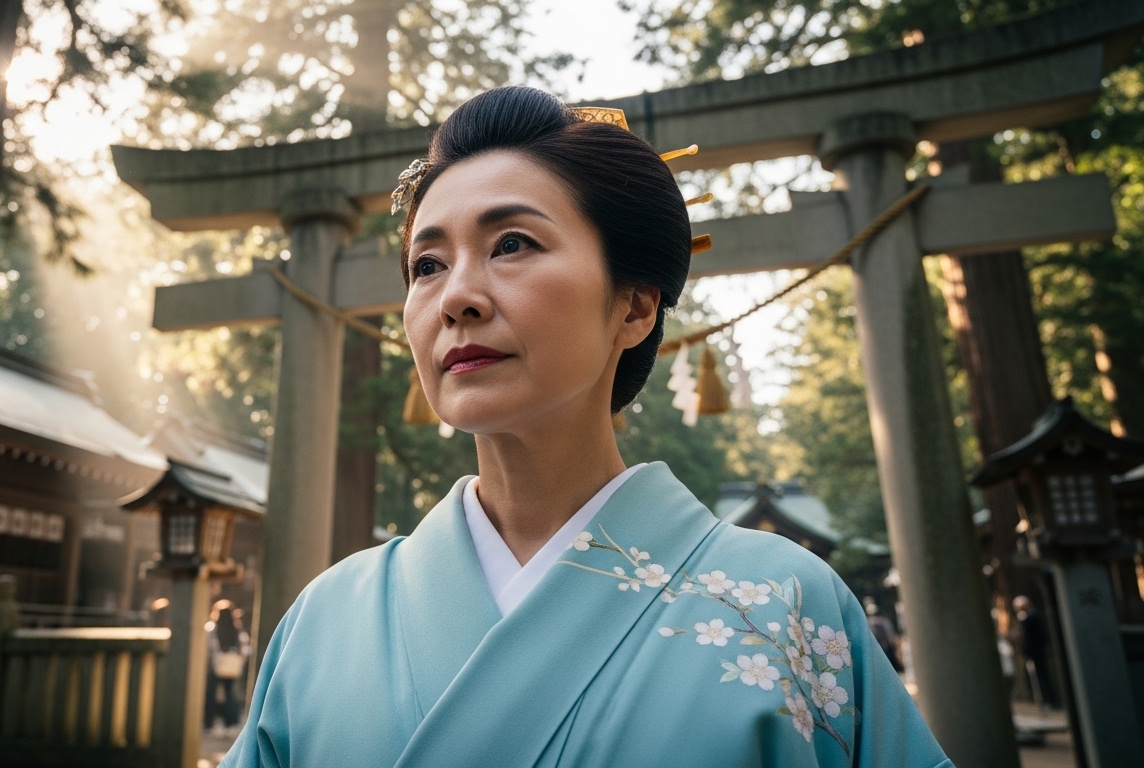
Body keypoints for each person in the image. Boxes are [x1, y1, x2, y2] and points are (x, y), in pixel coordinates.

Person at [221, 86, 950, 767]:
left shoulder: (785, 606)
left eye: (512, 244)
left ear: (634, 306)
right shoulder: (324, 619)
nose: (456, 297)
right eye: (428, 264)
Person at [205, 599, 248, 736]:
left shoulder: (212, 628)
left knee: (211, 694)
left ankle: (209, 723)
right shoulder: (236, 628)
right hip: (231, 666)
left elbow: (208, 646)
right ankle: (231, 723)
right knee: (230, 695)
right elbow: (244, 647)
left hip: (216, 665)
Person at [1014, 595, 1059, 709]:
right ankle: (1045, 701)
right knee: (1039, 678)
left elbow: (1033, 635)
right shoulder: (1029, 617)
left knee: (1043, 677)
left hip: (1036, 651)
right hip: (1034, 652)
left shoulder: (1031, 617)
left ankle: (1050, 701)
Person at [863, 598, 903, 673]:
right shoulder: (871, 623)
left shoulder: (882, 622)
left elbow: (890, 635)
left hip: (883, 646)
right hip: (879, 647)